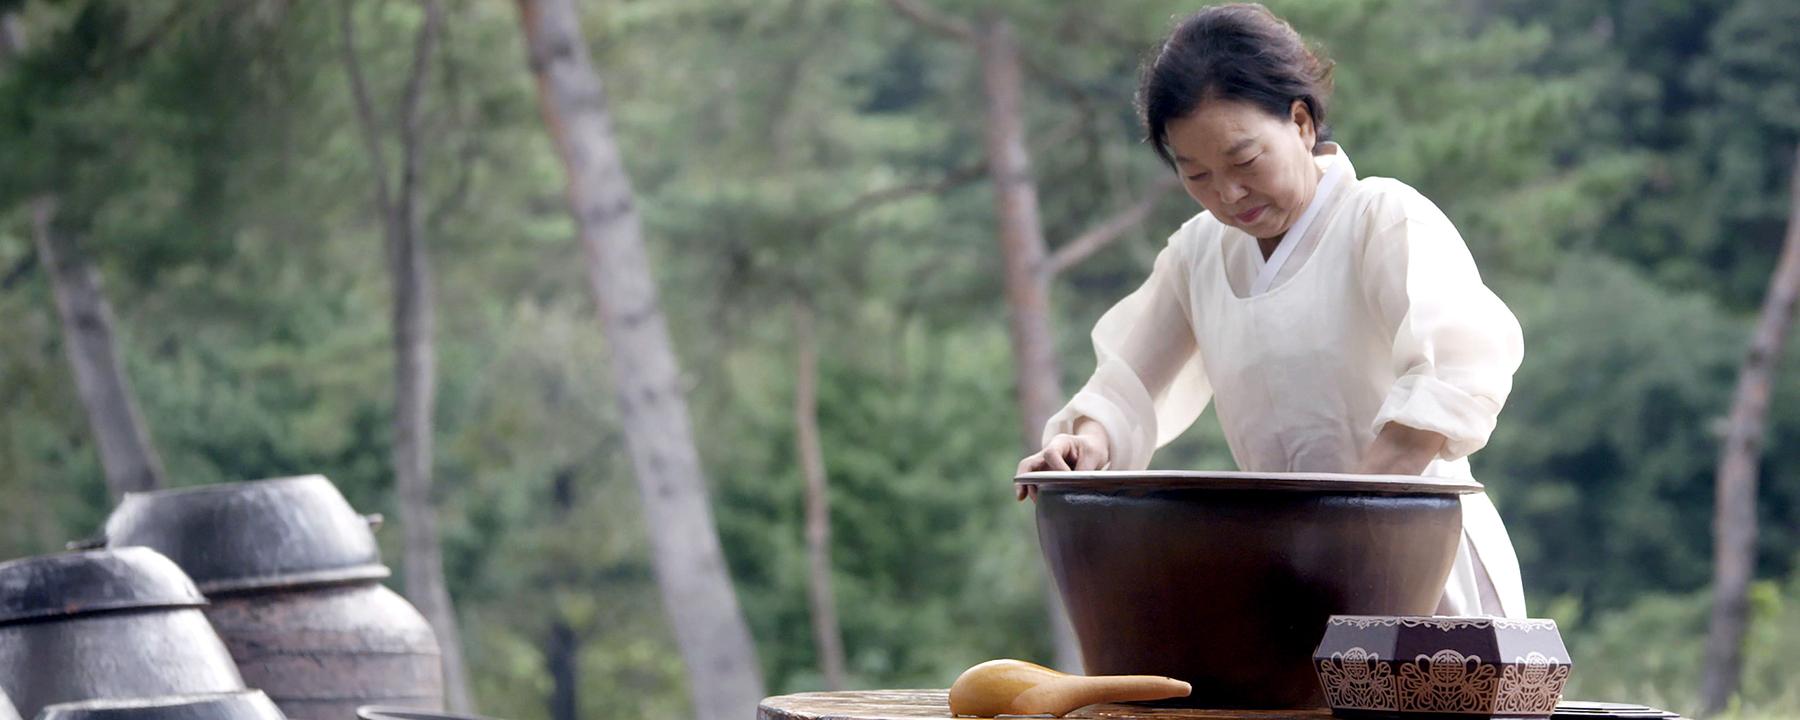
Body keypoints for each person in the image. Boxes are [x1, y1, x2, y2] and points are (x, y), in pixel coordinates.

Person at [1015, 3, 1527, 618]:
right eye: (1197, 174)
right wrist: (1084, 446)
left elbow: (1452, 375)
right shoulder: (1198, 254)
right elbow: (1128, 387)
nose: (1228, 195)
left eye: (1245, 161)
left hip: (1419, 559)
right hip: (1293, 570)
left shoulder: (1382, 218)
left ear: (1302, 121)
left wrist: (1348, 519)